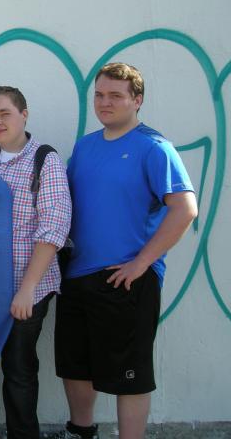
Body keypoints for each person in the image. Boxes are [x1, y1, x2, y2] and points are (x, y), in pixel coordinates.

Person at [53, 63, 198, 439]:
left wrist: (140, 264)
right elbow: (64, 204)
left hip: (126, 279)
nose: (105, 102)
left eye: (115, 95)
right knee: (75, 368)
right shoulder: (84, 147)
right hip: (77, 275)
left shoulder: (153, 147)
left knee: (130, 377)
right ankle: (80, 432)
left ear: (137, 100)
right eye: (99, 95)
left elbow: (184, 209)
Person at [0, 86, 71, 439]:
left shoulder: (45, 160)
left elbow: (53, 228)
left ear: (24, 114)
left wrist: (27, 290)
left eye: (4, 113)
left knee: (20, 373)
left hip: (28, 290)